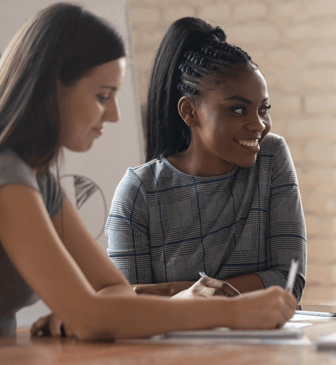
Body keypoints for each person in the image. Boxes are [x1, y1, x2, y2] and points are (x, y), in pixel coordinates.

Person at [0, 3, 296, 339]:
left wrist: (99, 310)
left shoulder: (39, 181)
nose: (114, 115)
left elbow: (114, 289)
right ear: (51, 89)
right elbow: (90, 316)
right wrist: (232, 310)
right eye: (102, 96)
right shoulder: (7, 174)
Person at [105, 17, 306, 300]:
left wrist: (179, 292)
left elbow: (289, 283)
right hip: (173, 346)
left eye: (263, 109)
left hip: (266, 344)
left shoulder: (271, 158)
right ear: (189, 112)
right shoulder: (139, 190)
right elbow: (130, 307)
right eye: (238, 110)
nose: (259, 125)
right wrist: (225, 294)